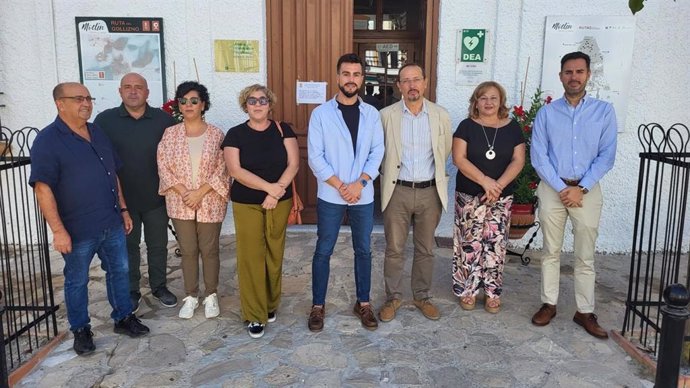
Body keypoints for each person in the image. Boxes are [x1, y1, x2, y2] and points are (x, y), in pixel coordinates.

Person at [29, 82, 150, 356]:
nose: (86, 103)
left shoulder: (96, 132)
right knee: (77, 280)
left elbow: (112, 173)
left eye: (88, 98)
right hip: (77, 228)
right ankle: (81, 330)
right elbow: (43, 189)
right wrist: (58, 231)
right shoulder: (48, 140)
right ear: (60, 104)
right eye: (78, 99)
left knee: (119, 271)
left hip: (111, 221)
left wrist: (123, 209)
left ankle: (123, 317)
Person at [530, 51, 617, 339]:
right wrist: (562, 189)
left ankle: (584, 311)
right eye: (568, 72)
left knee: (585, 255)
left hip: (587, 191)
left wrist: (581, 188)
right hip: (554, 188)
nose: (574, 77)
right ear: (560, 76)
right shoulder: (547, 113)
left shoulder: (604, 112)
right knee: (550, 252)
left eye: (580, 71)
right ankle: (549, 304)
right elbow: (539, 156)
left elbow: (606, 156)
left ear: (588, 75)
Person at [307, 53, 385, 332]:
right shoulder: (321, 114)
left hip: (362, 195)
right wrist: (341, 186)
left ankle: (363, 302)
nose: (351, 79)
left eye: (356, 74)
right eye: (346, 74)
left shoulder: (372, 114)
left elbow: (378, 152)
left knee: (363, 250)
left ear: (363, 78)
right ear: (337, 77)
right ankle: (318, 306)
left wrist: (359, 184)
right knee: (323, 251)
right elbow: (315, 157)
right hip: (331, 195)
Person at [95, 73, 178, 313]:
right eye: (128, 87)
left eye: (139, 87)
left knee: (158, 245)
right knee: (128, 247)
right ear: (120, 92)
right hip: (123, 201)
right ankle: (132, 290)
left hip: (156, 198)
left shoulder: (164, 120)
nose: (133, 91)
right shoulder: (105, 120)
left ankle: (159, 286)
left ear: (147, 92)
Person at [222, 84, 299, 339]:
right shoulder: (235, 134)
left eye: (262, 100)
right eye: (252, 101)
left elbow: (293, 164)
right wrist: (270, 189)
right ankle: (255, 314)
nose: (257, 104)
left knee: (274, 254)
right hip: (247, 203)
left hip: (280, 201)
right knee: (251, 257)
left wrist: (276, 193)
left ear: (270, 104)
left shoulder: (283, 130)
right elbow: (235, 171)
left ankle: (269, 304)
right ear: (245, 105)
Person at [378, 63, 452, 322]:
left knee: (426, 249)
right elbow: (380, 153)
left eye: (416, 79)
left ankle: (422, 296)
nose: (411, 85)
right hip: (397, 190)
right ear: (398, 86)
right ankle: (393, 297)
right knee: (394, 248)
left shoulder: (440, 115)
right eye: (406, 81)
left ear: (425, 82)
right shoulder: (386, 115)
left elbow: (445, 151)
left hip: (429, 193)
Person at [157, 81, 230, 320]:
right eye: (183, 101)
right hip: (180, 202)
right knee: (188, 250)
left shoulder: (216, 134)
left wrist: (200, 192)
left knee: (209, 250)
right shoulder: (170, 134)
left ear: (203, 104)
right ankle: (190, 296)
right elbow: (164, 166)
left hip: (210, 200)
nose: (188, 105)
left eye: (194, 101)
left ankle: (211, 294)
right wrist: (184, 191)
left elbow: (224, 168)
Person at [451, 81, 526, 314]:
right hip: (469, 195)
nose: (489, 102)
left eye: (494, 98)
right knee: (469, 243)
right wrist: (485, 181)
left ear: (501, 101)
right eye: (483, 98)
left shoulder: (513, 128)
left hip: (501, 197)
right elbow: (459, 159)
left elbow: (518, 160)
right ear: (476, 101)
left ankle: (492, 292)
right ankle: (468, 290)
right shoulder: (466, 126)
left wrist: (498, 186)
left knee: (495, 244)